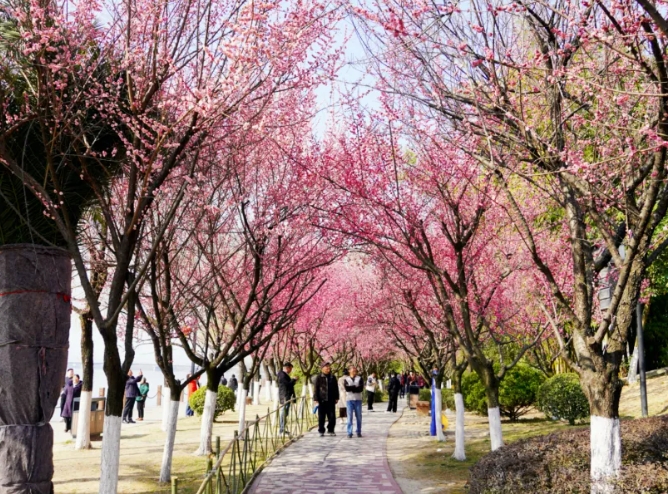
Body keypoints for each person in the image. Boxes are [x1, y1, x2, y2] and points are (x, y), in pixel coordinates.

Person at [313, 362, 339, 437]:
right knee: (321, 417)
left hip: (331, 399)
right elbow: (316, 388)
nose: (328, 368)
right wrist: (316, 399)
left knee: (332, 416)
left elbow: (336, 388)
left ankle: (331, 430)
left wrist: (337, 397)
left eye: (328, 366)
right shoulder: (319, 377)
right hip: (322, 400)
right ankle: (321, 430)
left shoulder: (332, 377)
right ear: (322, 368)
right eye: (326, 367)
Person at [277, 362, 297, 434]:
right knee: (284, 412)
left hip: (287, 396)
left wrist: (293, 381)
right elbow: (287, 385)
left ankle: (283, 428)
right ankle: (281, 429)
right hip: (285, 396)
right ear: (287, 368)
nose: (291, 370)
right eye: (290, 369)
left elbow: (289, 385)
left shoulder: (284, 374)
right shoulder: (282, 375)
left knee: (285, 413)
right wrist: (293, 379)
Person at [344, 366, 364, 438]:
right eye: (352, 369)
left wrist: (352, 388)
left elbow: (360, 389)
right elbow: (347, 388)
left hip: (358, 399)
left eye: (355, 369)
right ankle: (349, 432)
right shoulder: (346, 379)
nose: (354, 370)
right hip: (349, 400)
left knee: (359, 416)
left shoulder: (360, 378)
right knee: (349, 417)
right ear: (349, 371)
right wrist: (355, 387)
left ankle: (358, 431)